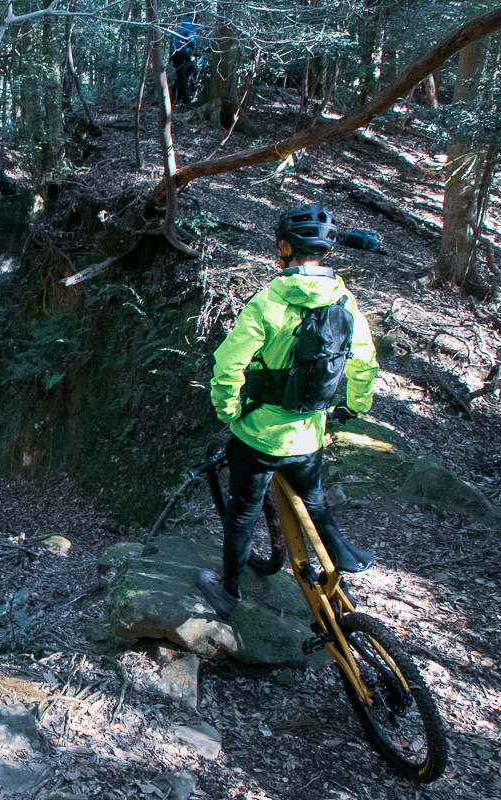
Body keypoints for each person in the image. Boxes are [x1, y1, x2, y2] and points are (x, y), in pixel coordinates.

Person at [197, 204, 381, 619]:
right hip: (308, 434)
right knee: (314, 501)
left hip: (260, 435)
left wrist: (228, 411)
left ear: (284, 247)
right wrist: (352, 407)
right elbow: (365, 362)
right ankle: (338, 576)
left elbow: (228, 366)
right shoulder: (344, 300)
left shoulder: (268, 302)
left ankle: (228, 592)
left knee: (243, 511)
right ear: (327, 252)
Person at [170, 16, 198, 104]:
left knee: (180, 74)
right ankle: (183, 99)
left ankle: (174, 93)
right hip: (184, 52)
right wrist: (194, 47)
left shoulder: (179, 26)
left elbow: (173, 40)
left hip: (175, 53)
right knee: (185, 76)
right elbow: (191, 37)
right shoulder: (191, 26)